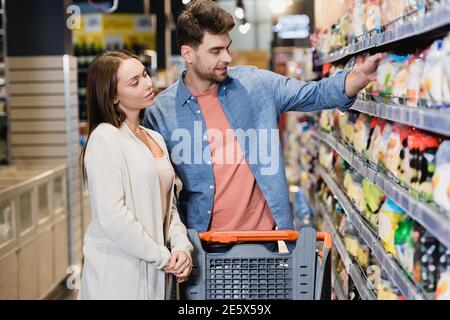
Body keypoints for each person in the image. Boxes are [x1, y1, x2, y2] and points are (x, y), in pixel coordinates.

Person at [144, 0, 383, 237]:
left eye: (227, 47)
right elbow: (157, 192)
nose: (227, 57)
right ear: (188, 53)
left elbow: (315, 93)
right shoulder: (161, 112)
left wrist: (359, 76)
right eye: (215, 51)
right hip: (200, 247)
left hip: (262, 242)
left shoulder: (257, 85)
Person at [78, 51, 193, 300]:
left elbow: (168, 206)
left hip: (156, 272)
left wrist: (181, 246)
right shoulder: (104, 139)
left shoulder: (155, 137)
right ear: (113, 96)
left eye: (144, 74)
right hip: (118, 276)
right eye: (135, 82)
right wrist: (163, 257)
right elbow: (112, 217)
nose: (148, 83)